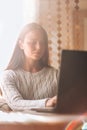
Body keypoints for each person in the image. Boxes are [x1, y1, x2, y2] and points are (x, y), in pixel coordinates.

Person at [0, 22, 59, 111]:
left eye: (42, 43)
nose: (39, 47)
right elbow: (15, 103)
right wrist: (47, 103)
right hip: (21, 125)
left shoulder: (56, 74)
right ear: (21, 44)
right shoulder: (8, 76)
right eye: (32, 42)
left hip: (54, 124)